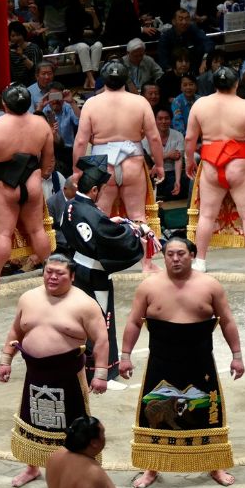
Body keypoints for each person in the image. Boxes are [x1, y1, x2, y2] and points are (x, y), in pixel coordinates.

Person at [119, 237, 240, 488]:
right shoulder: (148, 286)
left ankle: (214, 464)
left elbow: (227, 320)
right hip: (161, 361)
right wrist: (125, 356)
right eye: (170, 254)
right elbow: (134, 322)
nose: (175, 259)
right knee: (154, 412)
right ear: (163, 257)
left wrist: (236, 356)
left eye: (181, 254)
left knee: (206, 411)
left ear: (192, 255)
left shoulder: (210, 285)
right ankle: (151, 468)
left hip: (200, 360)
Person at [0, 256, 109, 488]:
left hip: (68, 373)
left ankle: (78, 471)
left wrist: (100, 373)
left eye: (60, 273)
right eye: (49, 272)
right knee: (33, 420)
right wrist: (6, 359)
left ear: (72, 276)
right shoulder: (28, 298)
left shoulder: (85, 304)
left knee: (74, 425)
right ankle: (32, 468)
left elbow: (101, 340)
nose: (53, 277)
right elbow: (15, 332)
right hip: (35, 372)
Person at [57, 159, 146, 377]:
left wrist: (108, 222)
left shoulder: (69, 205)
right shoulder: (93, 214)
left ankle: (80, 365)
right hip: (95, 273)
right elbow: (110, 236)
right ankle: (103, 368)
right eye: (101, 190)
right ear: (94, 189)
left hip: (77, 269)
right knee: (101, 318)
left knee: (78, 315)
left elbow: (91, 228)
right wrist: (137, 232)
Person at [184, 66, 245, 273]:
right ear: (236, 84)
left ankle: (200, 261)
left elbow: (190, 138)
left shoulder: (200, 105)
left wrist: (189, 160)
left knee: (206, 215)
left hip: (211, 164)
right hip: (240, 165)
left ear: (214, 84)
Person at [71, 62, 164, 260]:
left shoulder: (91, 104)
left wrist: (77, 170)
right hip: (133, 162)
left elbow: (80, 141)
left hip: (103, 165)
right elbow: (154, 137)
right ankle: (147, 264)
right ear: (126, 79)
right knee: (138, 214)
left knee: (100, 215)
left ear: (103, 79)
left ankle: (101, 261)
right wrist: (160, 164)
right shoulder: (140, 102)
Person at [0, 85, 55, 278]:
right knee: (37, 230)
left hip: (3, 186)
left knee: (3, 234)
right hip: (32, 183)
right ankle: (51, 273)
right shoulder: (41, 124)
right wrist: (39, 175)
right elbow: (48, 157)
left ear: (5, 105)